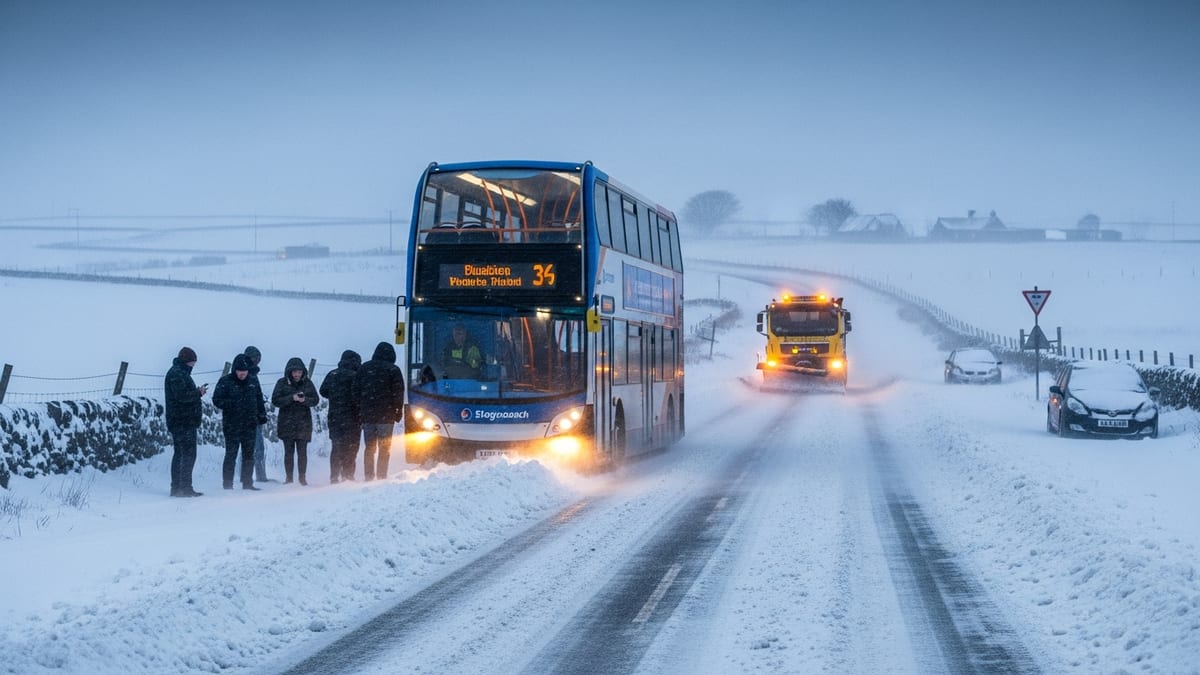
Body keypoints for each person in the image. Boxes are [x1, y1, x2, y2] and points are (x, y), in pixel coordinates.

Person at [212, 353, 267, 490]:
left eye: (245, 371)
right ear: (235, 370)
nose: (242, 374)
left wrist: (261, 415)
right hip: (232, 425)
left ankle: (247, 483)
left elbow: (259, 399)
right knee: (231, 454)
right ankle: (227, 484)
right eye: (240, 371)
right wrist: (231, 404)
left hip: (250, 424)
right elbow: (216, 399)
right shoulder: (225, 381)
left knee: (249, 455)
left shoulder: (253, 381)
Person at [355, 341, 405, 481]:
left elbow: (355, 390)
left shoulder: (364, 368)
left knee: (369, 448)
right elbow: (398, 392)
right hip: (386, 416)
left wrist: (361, 407)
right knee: (385, 448)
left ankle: (368, 477)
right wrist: (398, 411)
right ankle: (382, 476)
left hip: (367, 416)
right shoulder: (393, 370)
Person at [164, 346, 206, 498]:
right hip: (183, 421)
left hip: (181, 421)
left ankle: (178, 487)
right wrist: (198, 393)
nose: (193, 366)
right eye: (192, 363)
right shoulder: (177, 374)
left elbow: (181, 395)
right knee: (187, 455)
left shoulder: (178, 373)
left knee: (181, 454)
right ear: (187, 361)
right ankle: (183, 488)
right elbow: (182, 397)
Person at [271, 357, 319, 485]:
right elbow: (275, 400)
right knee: (288, 453)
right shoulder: (281, 383)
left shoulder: (308, 383)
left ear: (303, 371)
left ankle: (302, 478)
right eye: (294, 372)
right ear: (289, 372)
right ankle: (289, 478)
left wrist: (304, 400)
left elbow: (315, 400)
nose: (297, 374)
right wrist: (291, 398)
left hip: (303, 424)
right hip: (286, 423)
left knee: (302, 453)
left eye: (299, 372)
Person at [319, 349, 361, 483]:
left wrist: (335, 396)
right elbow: (360, 395)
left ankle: (334, 476)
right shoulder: (355, 375)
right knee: (352, 446)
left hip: (334, 417)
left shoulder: (332, 374)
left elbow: (323, 391)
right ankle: (348, 475)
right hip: (352, 417)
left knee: (336, 446)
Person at [243, 345, 270, 482]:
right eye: (255, 358)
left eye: (258, 359)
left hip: (255, 418)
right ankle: (245, 477)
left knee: (258, 448)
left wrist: (261, 414)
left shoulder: (253, 375)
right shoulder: (245, 374)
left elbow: (258, 397)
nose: (257, 361)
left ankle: (260, 475)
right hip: (246, 419)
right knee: (251, 449)